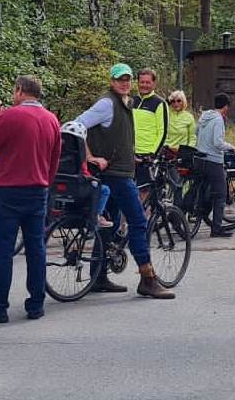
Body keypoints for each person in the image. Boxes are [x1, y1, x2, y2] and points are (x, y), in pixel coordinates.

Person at [69, 62, 176, 299]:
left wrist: (133, 156)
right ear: (112, 81)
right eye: (120, 79)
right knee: (138, 222)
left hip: (121, 170)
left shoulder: (126, 102)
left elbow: (116, 138)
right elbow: (76, 126)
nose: (125, 83)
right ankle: (147, 279)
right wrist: (90, 156)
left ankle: (98, 276)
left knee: (111, 223)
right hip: (116, 176)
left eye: (128, 79)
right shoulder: (107, 103)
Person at [0, 75, 62, 323]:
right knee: (36, 248)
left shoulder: (11, 116)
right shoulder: (52, 120)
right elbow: (55, 159)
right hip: (39, 189)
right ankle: (36, 304)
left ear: (20, 91)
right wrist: (45, 181)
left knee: (3, 250)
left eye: (14, 91)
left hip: (10, 189)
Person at [194, 92, 233, 237]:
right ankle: (216, 228)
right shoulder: (218, 119)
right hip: (213, 160)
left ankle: (199, 213)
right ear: (226, 107)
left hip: (199, 158)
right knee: (220, 194)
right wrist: (230, 146)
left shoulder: (204, 116)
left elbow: (196, 132)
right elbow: (218, 143)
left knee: (204, 188)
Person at [132, 67, 170, 183]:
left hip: (146, 154)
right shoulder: (131, 100)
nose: (144, 85)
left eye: (148, 82)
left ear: (154, 83)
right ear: (137, 82)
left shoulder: (160, 103)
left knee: (144, 189)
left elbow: (162, 132)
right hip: (130, 152)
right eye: (142, 82)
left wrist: (152, 154)